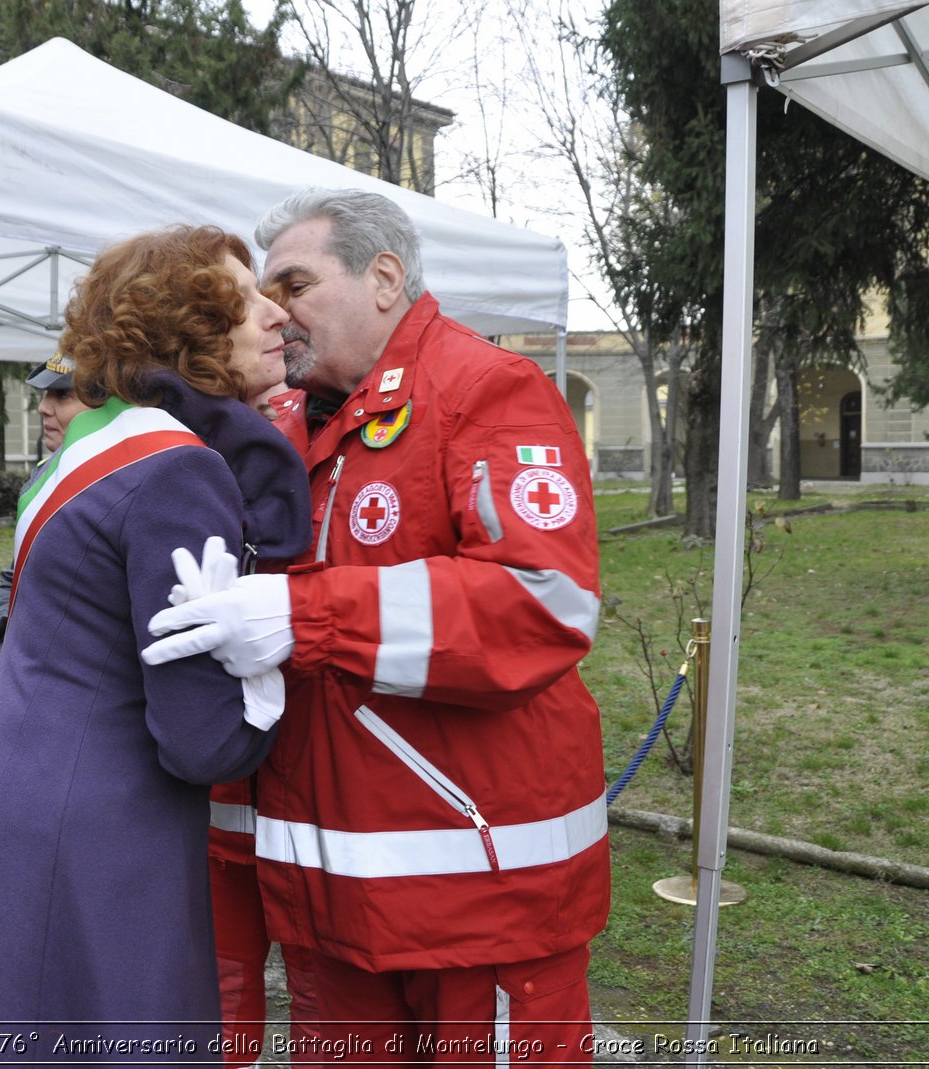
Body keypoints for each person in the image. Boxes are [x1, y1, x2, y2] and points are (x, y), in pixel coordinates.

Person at [144, 189, 609, 1063]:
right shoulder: (280, 421)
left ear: (385, 277)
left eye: (295, 282)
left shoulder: (488, 389)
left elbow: (539, 603)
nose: (274, 310)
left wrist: (304, 615)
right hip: (334, 902)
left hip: (481, 898)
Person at [0, 225, 310, 1063]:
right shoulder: (180, 468)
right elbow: (202, 737)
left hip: (7, 800)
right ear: (189, 326)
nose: (276, 314)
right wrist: (269, 669)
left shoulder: (94, 450)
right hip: (88, 838)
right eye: (247, 297)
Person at [0, 352, 89, 664]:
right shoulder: (44, 476)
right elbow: (14, 576)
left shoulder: (123, 482)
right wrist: (2, 623)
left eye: (63, 395)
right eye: (45, 395)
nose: (43, 407)